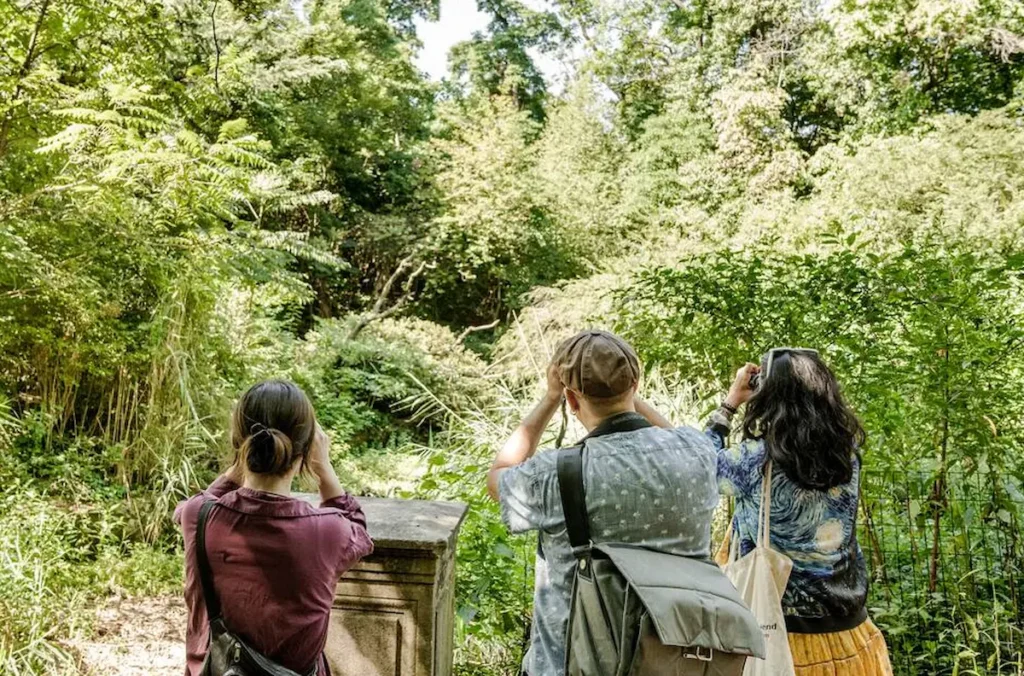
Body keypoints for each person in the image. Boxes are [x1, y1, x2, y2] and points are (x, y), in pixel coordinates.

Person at [487, 330, 719, 676]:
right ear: (636, 383)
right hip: (674, 661)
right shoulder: (696, 453)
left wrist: (551, 397)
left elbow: (499, 477)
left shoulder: (557, 473)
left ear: (572, 400)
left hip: (572, 665)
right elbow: (675, 437)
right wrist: (626, 392)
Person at [707, 349, 893, 675]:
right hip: (848, 633)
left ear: (767, 398)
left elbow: (698, 466)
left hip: (777, 639)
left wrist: (730, 403)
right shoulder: (847, 454)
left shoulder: (755, 460)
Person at [174, 380, 374, 676]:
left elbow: (201, 501)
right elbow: (358, 531)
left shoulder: (198, 517)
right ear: (307, 448)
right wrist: (324, 467)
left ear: (239, 442)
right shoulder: (328, 531)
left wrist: (244, 457)